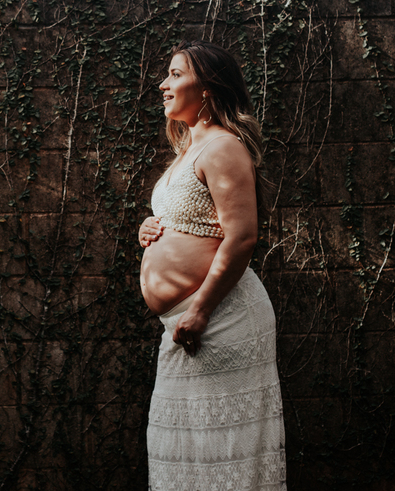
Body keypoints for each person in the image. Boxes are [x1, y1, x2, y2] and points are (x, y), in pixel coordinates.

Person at [138, 41, 285, 490]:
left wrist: (200, 309)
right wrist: (151, 228)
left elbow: (242, 236)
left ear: (207, 87)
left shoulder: (222, 147)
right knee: (186, 454)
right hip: (186, 324)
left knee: (221, 453)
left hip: (218, 318)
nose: (163, 85)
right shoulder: (189, 149)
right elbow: (195, 220)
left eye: (175, 74)